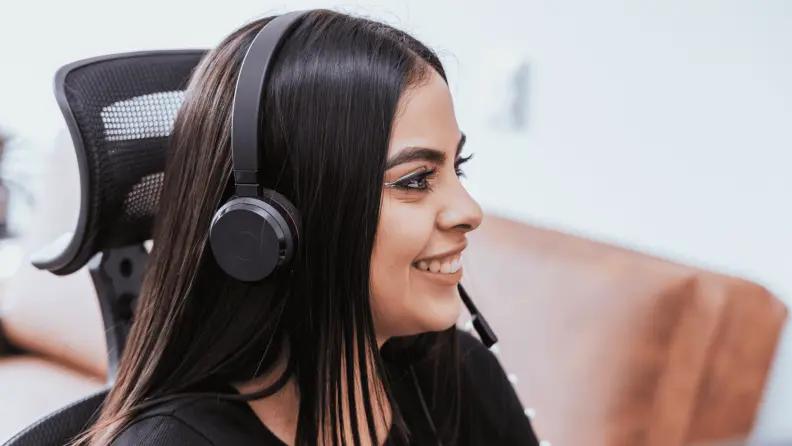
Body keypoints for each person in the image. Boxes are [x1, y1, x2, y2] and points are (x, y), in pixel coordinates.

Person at [69, 9, 539, 446]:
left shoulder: (458, 374)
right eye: (415, 179)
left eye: (460, 167)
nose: (469, 210)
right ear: (267, 229)